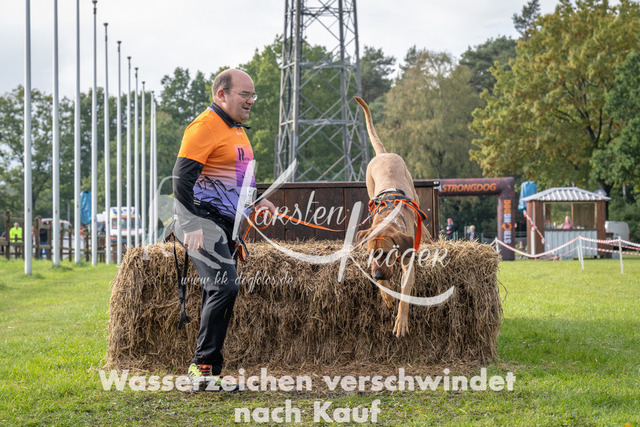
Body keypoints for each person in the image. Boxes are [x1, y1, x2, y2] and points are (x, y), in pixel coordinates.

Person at [172, 69, 275, 391]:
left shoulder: (237, 130)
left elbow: (241, 176)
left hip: (225, 224)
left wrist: (258, 200)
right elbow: (181, 180)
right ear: (222, 94)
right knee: (224, 286)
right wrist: (191, 224)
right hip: (202, 220)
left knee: (218, 289)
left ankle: (208, 371)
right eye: (245, 94)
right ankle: (203, 369)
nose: (251, 101)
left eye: (253, 95)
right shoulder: (204, 127)